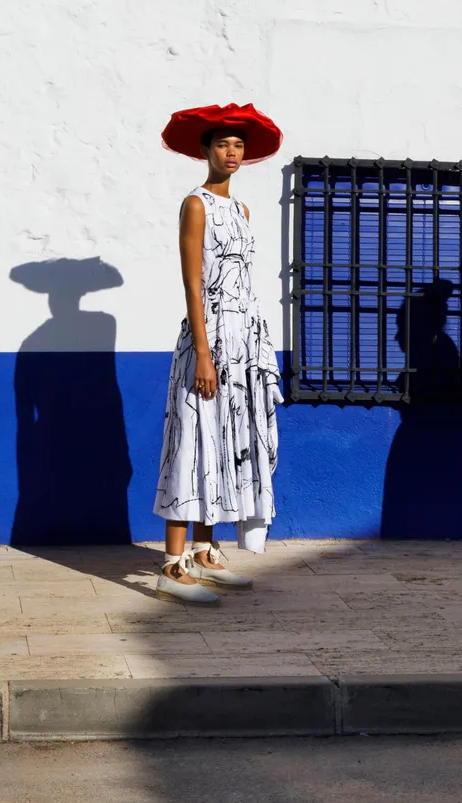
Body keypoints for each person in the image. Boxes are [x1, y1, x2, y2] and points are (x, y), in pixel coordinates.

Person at [153, 103, 285, 605]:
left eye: (239, 145)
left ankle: (206, 552)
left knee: (224, 441)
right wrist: (204, 352)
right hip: (207, 339)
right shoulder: (196, 205)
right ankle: (171, 563)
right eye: (223, 144)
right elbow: (193, 282)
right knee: (191, 438)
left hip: (243, 339)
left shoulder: (242, 210)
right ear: (205, 150)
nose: (232, 152)